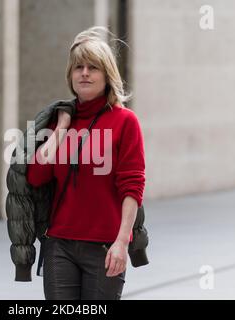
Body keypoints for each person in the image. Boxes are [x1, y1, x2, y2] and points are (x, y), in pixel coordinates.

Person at [25, 26, 146, 300]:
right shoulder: (58, 120)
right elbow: (35, 176)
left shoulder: (125, 122)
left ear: (107, 74)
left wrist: (122, 242)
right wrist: (61, 128)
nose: (84, 73)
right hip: (59, 245)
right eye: (78, 67)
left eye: (93, 67)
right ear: (70, 75)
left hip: (105, 247)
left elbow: (132, 186)